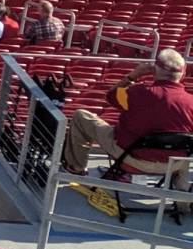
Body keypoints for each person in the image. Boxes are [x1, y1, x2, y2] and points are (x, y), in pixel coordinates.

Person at [65, 49, 193, 173]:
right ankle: (180, 188)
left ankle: (77, 168)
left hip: (132, 159)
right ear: (183, 73)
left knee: (81, 116)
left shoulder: (137, 93)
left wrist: (133, 76)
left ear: (154, 70)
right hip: (174, 166)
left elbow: (111, 97)